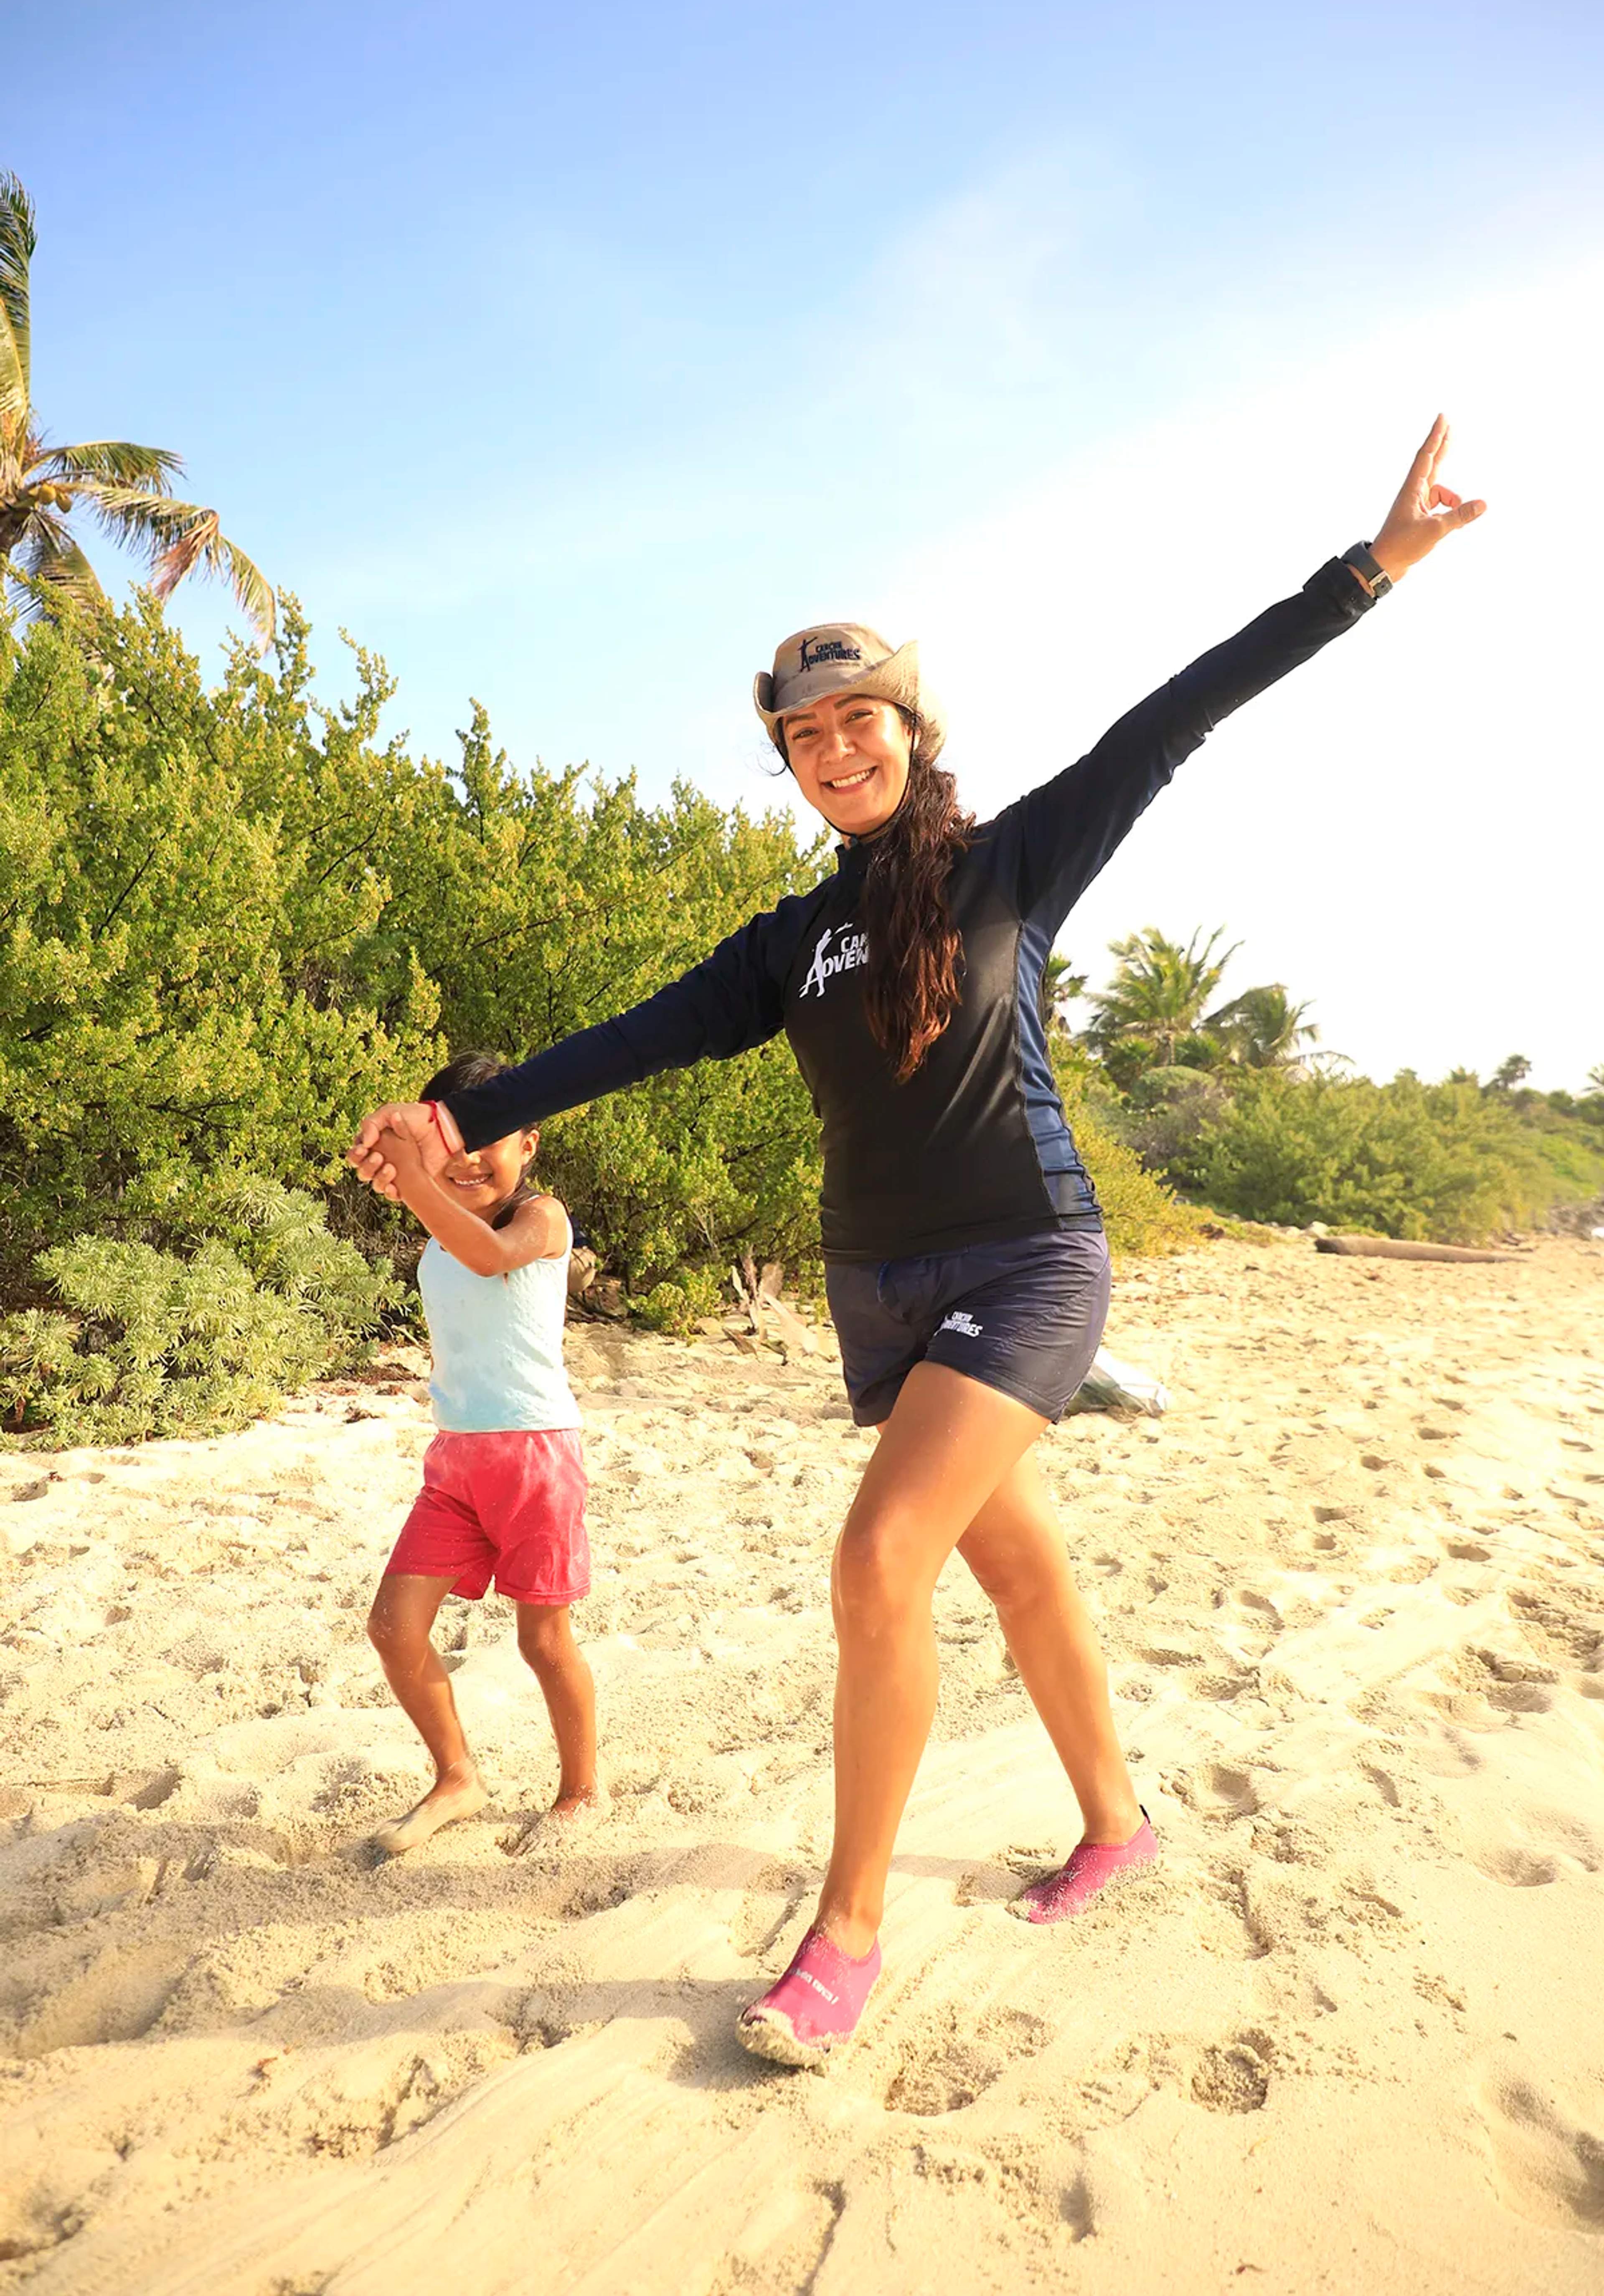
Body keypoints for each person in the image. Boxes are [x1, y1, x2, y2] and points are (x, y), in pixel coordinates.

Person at [348, 420, 1483, 2056]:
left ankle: (848, 1933)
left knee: (879, 1561)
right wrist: (458, 1120)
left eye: (856, 718)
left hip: (1028, 1266)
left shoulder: (1018, 858)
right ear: (794, 764)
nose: (833, 749)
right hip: (879, 1297)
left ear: (907, 730)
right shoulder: (789, 939)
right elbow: (636, 1036)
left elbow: (1181, 711)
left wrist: (1367, 570)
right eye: (803, 735)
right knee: (1016, 1569)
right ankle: (1117, 1822)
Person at [363, 1052, 603, 1857]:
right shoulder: (442, 1224)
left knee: (543, 1642)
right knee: (395, 1628)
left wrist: (416, 1172)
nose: (466, 1158)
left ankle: (579, 1791)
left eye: (485, 1138)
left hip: (537, 1458)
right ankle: (458, 1776)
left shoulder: (545, 1220)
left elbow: (490, 1256)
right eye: (448, 1141)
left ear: (528, 1144)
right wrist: (403, 1158)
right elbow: (456, 1237)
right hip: (456, 1462)